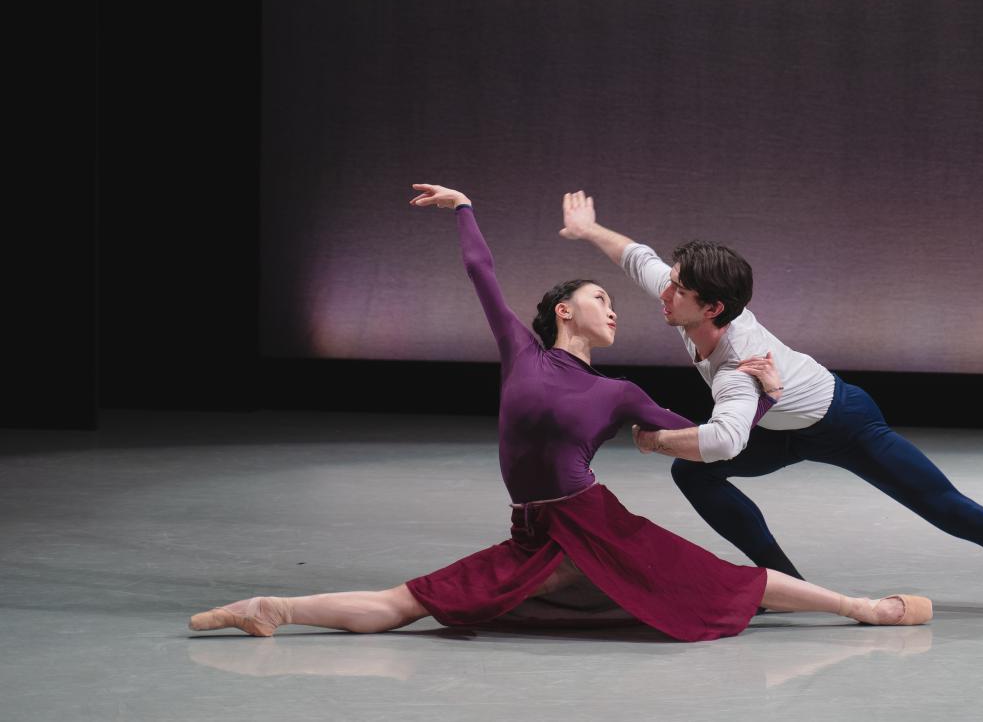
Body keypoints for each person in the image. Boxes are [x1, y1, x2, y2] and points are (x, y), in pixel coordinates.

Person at [188, 184, 931, 643]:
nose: (617, 306)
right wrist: (465, 208)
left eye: (614, 299)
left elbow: (712, 441)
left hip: (597, 524)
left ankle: (867, 608)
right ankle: (272, 608)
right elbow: (482, 273)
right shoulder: (521, 351)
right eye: (599, 298)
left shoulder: (618, 394)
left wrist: (759, 392)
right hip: (536, 533)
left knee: (727, 582)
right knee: (412, 602)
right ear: (560, 310)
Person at [558, 190, 983, 622]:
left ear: (712, 307)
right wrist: (589, 231)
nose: (663, 292)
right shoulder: (687, 301)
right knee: (693, 475)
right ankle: (786, 585)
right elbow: (635, 255)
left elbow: (723, 441)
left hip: (845, 422)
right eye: (671, 282)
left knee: (957, 514)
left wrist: (654, 438)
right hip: (784, 429)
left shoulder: (741, 365)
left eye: (678, 288)